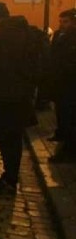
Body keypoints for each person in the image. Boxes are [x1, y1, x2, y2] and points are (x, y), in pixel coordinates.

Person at [0, 2, 40, 195]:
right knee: (12, 139)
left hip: (6, 94)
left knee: (8, 139)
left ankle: (9, 180)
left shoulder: (6, 35)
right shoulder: (24, 31)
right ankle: (10, 178)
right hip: (20, 93)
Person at [49, 9, 76, 161]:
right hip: (60, 82)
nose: (62, 25)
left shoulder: (72, 38)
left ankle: (69, 150)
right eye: (60, 21)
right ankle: (63, 137)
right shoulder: (60, 35)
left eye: (65, 21)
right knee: (62, 114)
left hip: (70, 83)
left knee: (69, 118)